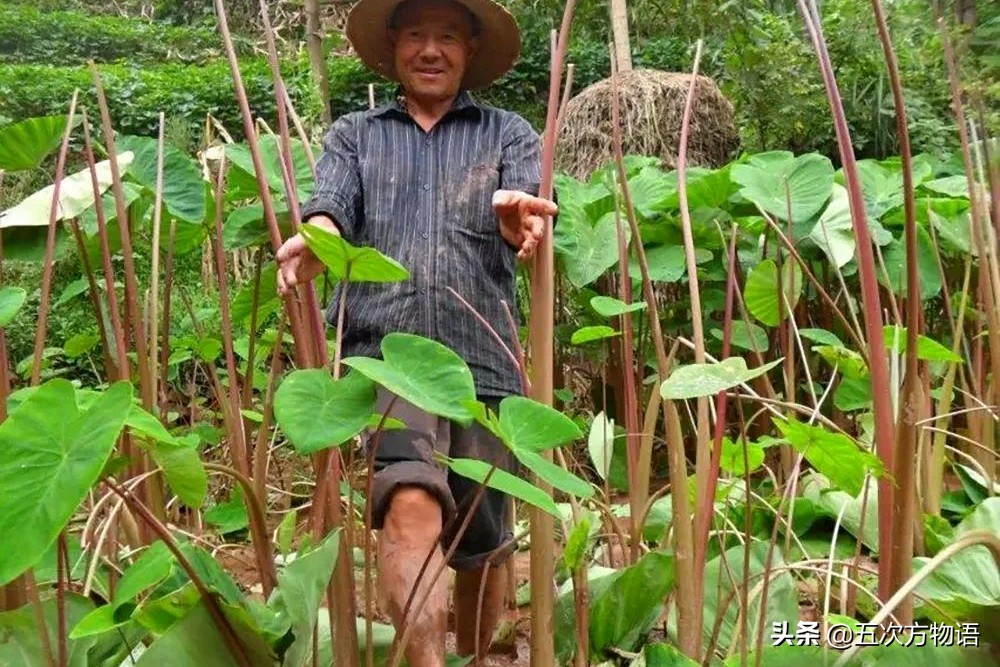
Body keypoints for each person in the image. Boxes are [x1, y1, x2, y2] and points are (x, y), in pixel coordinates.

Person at [274, 0, 557, 662]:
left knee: (481, 548)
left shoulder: (508, 132)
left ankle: (475, 653)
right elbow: (332, 207)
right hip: (387, 358)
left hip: (483, 359)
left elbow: (525, 201)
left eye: (449, 37)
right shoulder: (356, 135)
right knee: (408, 502)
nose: (432, 50)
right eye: (419, 36)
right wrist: (316, 239)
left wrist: (521, 218)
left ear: (470, 50)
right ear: (395, 46)